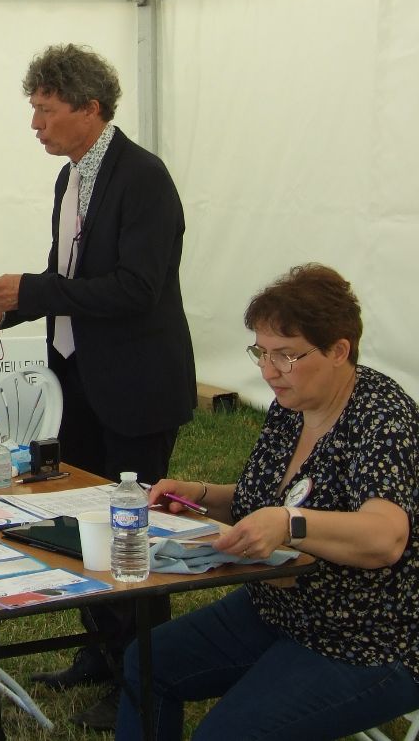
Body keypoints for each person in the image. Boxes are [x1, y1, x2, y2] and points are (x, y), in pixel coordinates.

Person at [0, 43, 196, 730]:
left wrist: (28, 290)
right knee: (80, 521)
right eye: (34, 109)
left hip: (135, 386)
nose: (35, 124)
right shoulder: (71, 177)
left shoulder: (144, 178)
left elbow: (136, 288)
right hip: (79, 379)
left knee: (131, 533)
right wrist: (8, 307)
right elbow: (73, 281)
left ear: (90, 109)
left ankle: (142, 678)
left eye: (46, 109)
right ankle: (101, 651)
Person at [117, 263, 419, 740]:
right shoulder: (292, 406)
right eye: (261, 352)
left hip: (368, 637)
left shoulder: (382, 417)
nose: (268, 370)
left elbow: (386, 537)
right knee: (148, 662)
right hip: (278, 609)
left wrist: (291, 523)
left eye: (286, 355)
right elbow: (263, 504)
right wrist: (200, 496)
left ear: (339, 350)